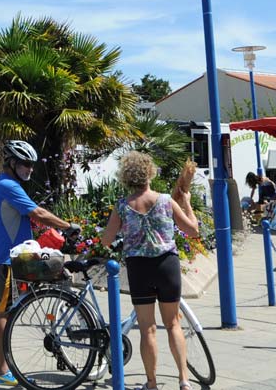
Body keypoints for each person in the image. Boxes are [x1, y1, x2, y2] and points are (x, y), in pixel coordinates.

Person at [101, 151, 199, 390]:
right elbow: (193, 230)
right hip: (167, 265)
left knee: (148, 329)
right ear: (149, 173)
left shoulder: (123, 206)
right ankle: (184, 380)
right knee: (173, 323)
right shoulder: (166, 200)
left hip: (139, 268)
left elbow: (106, 239)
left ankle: (152, 382)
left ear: (126, 177)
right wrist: (185, 201)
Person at [0, 140, 77, 386]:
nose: (30, 169)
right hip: (7, 259)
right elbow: (38, 213)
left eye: (32, 165)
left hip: (8, 255)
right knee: (4, 313)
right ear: (12, 163)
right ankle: (1, 372)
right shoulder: (8, 185)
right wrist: (69, 226)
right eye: (25, 164)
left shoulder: (6, 184)